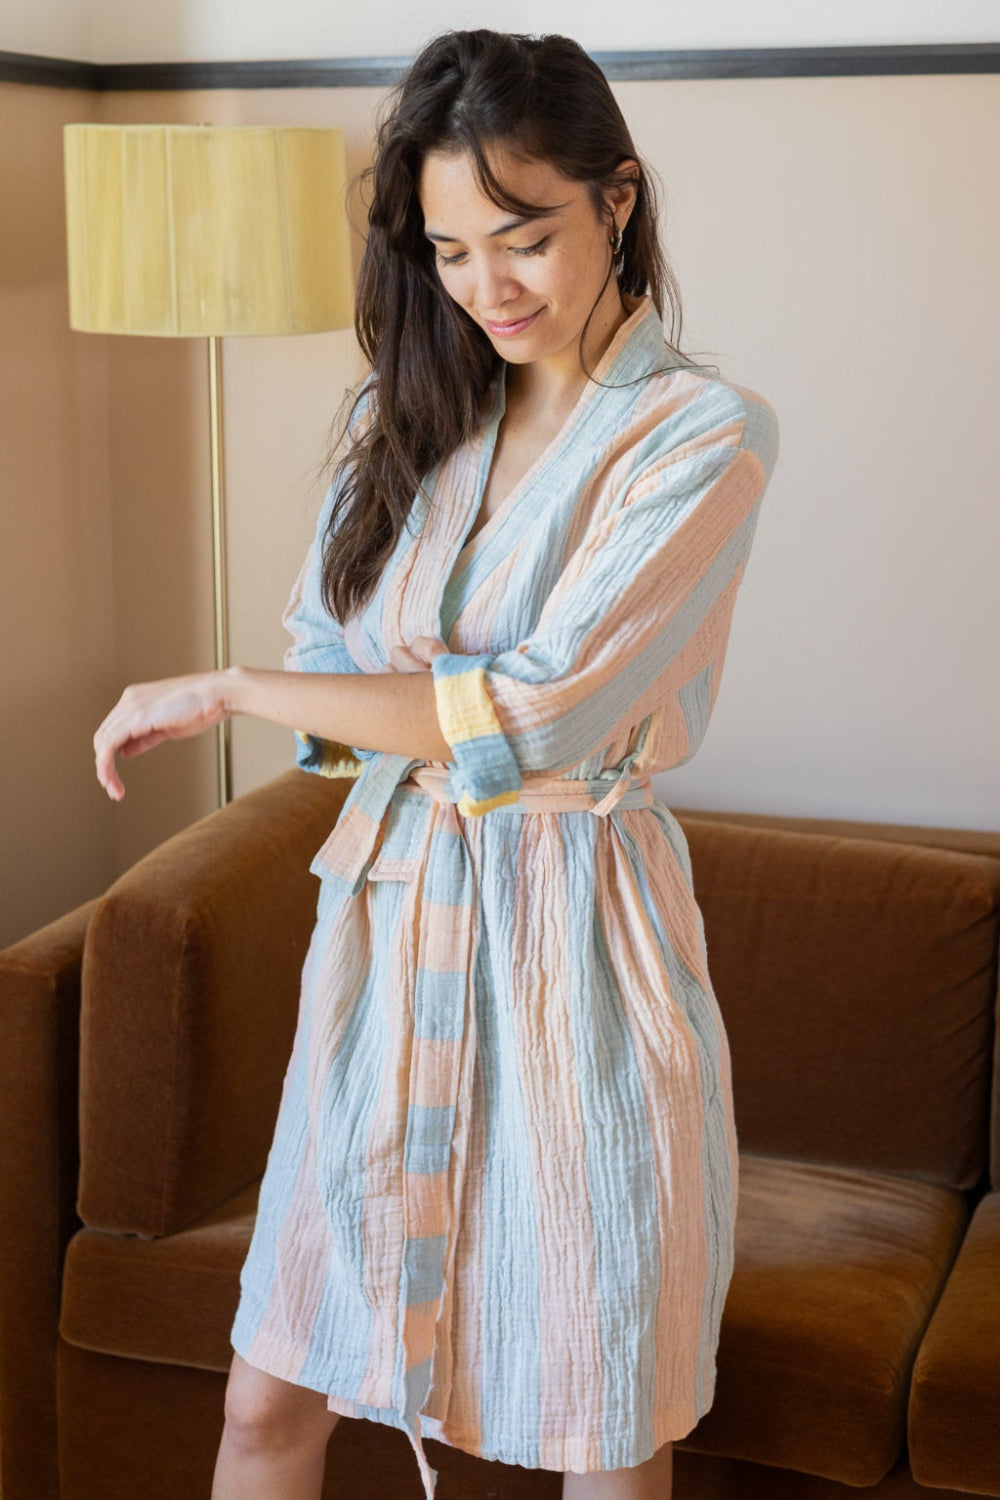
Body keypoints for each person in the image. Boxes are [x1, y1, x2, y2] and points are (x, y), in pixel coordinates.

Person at [92, 28, 779, 1500]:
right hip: (387, 950)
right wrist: (382, 700)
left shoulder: (698, 439)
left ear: (616, 199)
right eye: (452, 251)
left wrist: (240, 687)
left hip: (579, 968)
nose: (488, 288)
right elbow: (334, 678)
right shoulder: (411, 418)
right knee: (265, 1404)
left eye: (523, 238)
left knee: (600, 1429)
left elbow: (535, 718)